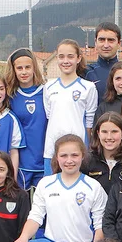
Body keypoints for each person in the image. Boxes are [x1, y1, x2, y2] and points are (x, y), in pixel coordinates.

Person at [7, 135, 108, 242]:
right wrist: (23, 238)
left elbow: (100, 226)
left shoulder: (93, 187)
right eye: (64, 155)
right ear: (56, 157)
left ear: (82, 156)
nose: (69, 160)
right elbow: (35, 217)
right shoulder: (46, 184)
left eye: (74, 155)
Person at [44, 39, 98, 170]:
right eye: (61, 57)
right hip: (51, 150)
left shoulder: (88, 87)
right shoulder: (49, 86)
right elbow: (49, 116)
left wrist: (85, 149)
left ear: (78, 58)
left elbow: (89, 123)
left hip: (77, 152)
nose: (65, 61)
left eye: (70, 56)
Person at [8, 49, 48, 188]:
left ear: (34, 68)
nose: (24, 72)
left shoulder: (47, 92)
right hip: (20, 163)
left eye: (27, 67)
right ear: (13, 70)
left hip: (44, 161)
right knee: (20, 201)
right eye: (19, 68)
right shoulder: (9, 95)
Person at [84, 22, 122, 97]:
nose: (106, 45)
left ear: (119, 43)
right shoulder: (85, 73)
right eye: (101, 40)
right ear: (95, 42)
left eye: (111, 40)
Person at [83, 112, 122, 194]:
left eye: (114, 132)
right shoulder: (87, 161)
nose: (109, 137)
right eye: (104, 132)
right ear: (98, 134)